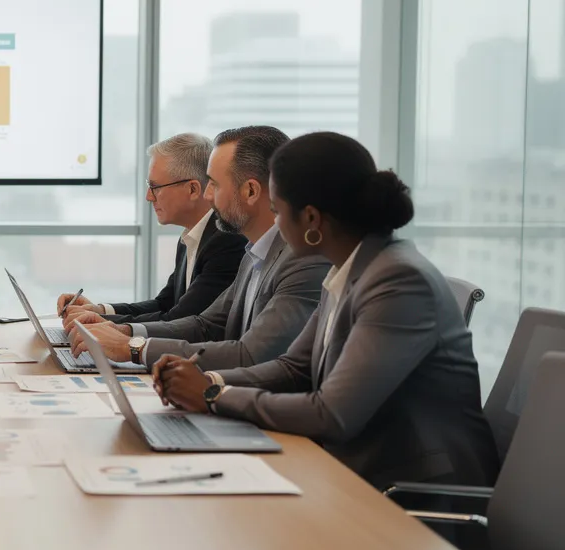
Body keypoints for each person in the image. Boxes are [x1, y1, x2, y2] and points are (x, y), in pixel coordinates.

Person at [153, 132, 499, 490]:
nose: (275, 225)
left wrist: (213, 396)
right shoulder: (347, 268)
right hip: (360, 468)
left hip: (414, 490)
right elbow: (294, 368)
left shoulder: (398, 281)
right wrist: (210, 381)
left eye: (277, 211)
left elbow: (332, 413)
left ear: (312, 219)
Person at [67, 126, 328, 373]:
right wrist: (125, 332)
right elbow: (206, 324)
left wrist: (133, 348)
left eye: (214, 184)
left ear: (250, 191)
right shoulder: (254, 254)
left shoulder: (303, 261)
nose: (207, 195)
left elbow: (251, 355)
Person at [57, 133, 245, 325]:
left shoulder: (226, 241)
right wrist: (100, 311)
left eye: (155, 187)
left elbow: (179, 319)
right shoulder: (191, 237)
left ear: (193, 190)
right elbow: (164, 304)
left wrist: (102, 322)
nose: (149, 196)